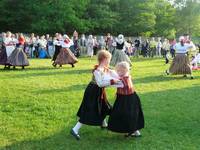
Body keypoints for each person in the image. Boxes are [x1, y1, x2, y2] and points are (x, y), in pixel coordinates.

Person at [70, 50, 123, 140]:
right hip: (92, 92)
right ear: (104, 59)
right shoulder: (97, 70)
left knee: (105, 107)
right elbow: (100, 83)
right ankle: (75, 129)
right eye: (109, 59)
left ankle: (103, 123)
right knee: (89, 111)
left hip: (99, 92)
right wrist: (112, 81)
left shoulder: (105, 68)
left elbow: (112, 74)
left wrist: (120, 77)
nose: (110, 61)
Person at [108, 61, 144, 137]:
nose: (117, 72)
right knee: (127, 115)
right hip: (125, 98)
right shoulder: (125, 76)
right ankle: (134, 132)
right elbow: (116, 76)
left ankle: (134, 131)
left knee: (127, 115)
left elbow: (114, 83)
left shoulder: (124, 79)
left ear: (124, 71)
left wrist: (106, 79)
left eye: (118, 71)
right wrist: (110, 71)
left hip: (127, 100)